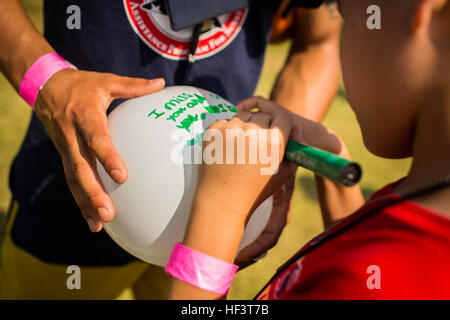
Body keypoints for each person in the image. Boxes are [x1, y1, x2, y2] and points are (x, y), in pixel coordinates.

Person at [0, 1, 341, 299]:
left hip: (223, 217)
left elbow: (319, 41)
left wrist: (274, 153)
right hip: (73, 188)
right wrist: (45, 79)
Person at [167, 0, 450, 299]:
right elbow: (360, 246)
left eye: (345, 14)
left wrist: (221, 209)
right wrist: (332, 162)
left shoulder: (365, 285)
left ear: (422, 12)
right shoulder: (425, 195)